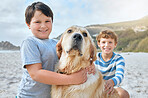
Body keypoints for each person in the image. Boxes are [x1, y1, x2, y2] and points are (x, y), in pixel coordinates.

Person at [17, 2, 95, 98]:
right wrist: (71, 79)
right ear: (28, 24)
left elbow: (72, 59)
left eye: (47, 21)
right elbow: (36, 74)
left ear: (52, 22)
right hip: (28, 96)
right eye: (37, 22)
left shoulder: (56, 43)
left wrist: (91, 65)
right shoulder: (30, 43)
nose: (43, 26)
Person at [94, 30, 130, 98]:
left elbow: (120, 76)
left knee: (124, 94)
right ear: (99, 44)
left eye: (110, 42)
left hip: (112, 85)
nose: (106, 45)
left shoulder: (119, 59)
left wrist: (111, 82)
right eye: (103, 42)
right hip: (96, 86)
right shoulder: (94, 58)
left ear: (115, 44)